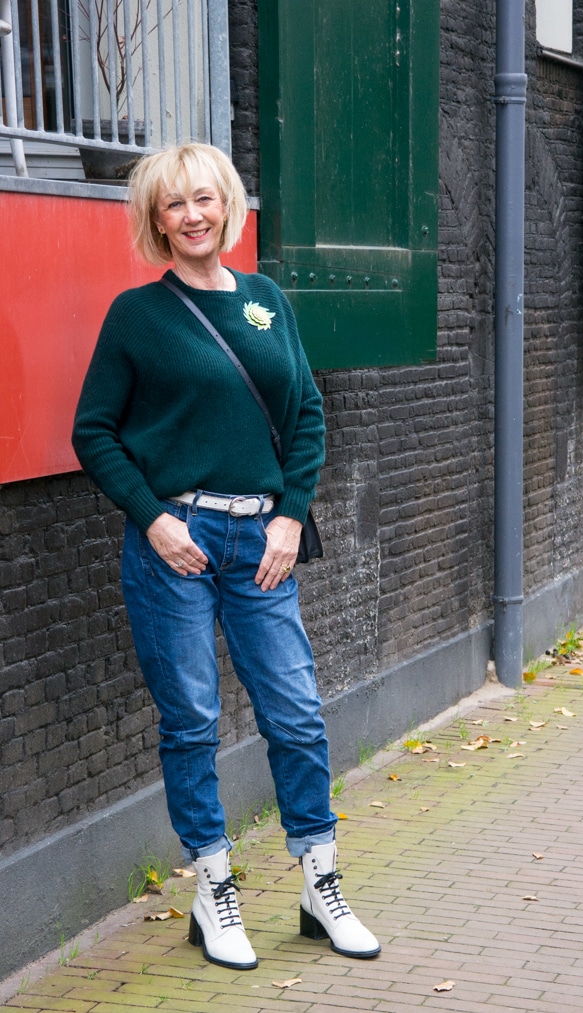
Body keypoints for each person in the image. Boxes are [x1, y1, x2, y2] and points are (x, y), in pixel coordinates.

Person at [72, 142, 380, 970]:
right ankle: (214, 892)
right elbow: (93, 431)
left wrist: (289, 517)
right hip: (174, 541)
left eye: (204, 198)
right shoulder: (137, 315)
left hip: (261, 543)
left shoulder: (266, 299)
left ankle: (320, 883)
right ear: (156, 220)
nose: (193, 215)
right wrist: (151, 518)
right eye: (174, 204)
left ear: (228, 205)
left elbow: (307, 413)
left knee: (295, 712)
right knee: (193, 721)